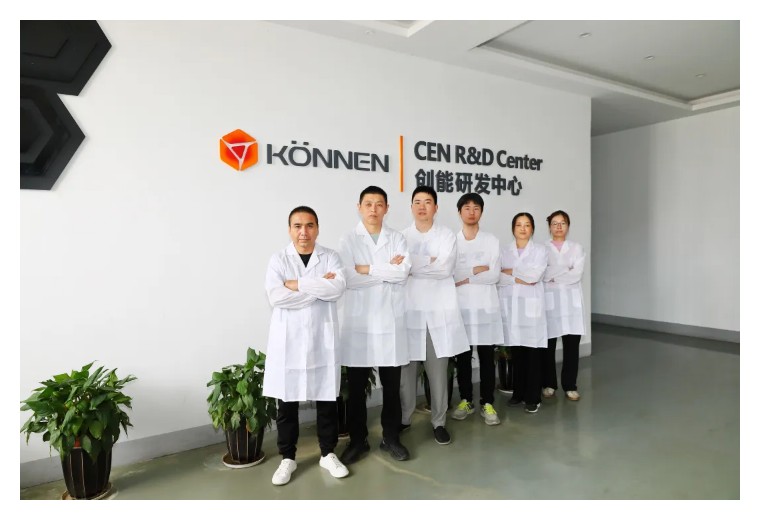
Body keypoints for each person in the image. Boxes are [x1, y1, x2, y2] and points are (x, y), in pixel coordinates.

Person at [263, 206, 349, 486]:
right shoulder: (278, 260)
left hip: (321, 340)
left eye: (309, 225)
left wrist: (296, 284)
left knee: (327, 399)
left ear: (317, 228)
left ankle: (327, 453)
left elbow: (337, 288)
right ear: (290, 229)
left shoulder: (331, 257)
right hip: (289, 341)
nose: (304, 232)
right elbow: (277, 297)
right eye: (298, 226)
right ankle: (288, 458)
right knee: (286, 402)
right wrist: (317, 288)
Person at [337, 186, 412, 464]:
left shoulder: (397, 238)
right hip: (359, 323)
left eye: (379, 204)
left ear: (387, 208)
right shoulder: (348, 239)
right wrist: (385, 269)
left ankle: (391, 438)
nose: (373, 209)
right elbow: (348, 278)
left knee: (391, 387)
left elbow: (402, 273)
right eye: (368, 204)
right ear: (359, 207)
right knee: (357, 389)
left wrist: (366, 267)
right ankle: (358, 441)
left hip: (390, 322)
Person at [400, 186, 470, 445]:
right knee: (406, 373)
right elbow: (400, 270)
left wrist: (413, 265)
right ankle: (404, 418)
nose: (422, 206)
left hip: (438, 314)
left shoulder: (447, 235)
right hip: (409, 312)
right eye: (417, 202)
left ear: (436, 207)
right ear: (411, 207)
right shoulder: (401, 237)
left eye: (427, 202)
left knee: (438, 373)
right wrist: (428, 261)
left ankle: (439, 422)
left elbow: (445, 268)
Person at [451, 193, 504, 426]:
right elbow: (451, 275)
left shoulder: (491, 240)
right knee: (462, 357)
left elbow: (494, 275)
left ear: (481, 212)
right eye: (467, 208)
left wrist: (466, 276)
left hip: (485, 307)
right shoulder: (452, 241)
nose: (471, 212)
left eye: (476, 208)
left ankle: (487, 402)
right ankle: (466, 400)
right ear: (459, 212)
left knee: (486, 358)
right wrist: (476, 269)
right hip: (461, 308)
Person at [498, 212, 548, 414]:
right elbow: (499, 277)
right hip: (512, 308)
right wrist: (520, 275)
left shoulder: (540, 251)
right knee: (517, 353)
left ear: (532, 229)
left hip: (531, 309)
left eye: (527, 225)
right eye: (519, 224)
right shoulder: (504, 251)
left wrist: (512, 272)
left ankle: (533, 397)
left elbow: (534, 277)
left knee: (533, 354)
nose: (523, 228)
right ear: (513, 228)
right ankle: (518, 393)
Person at [541, 210, 585, 401]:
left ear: (568, 226)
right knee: (548, 347)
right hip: (550, 303)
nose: (559, 227)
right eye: (555, 223)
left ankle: (570, 385)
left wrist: (553, 274)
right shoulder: (542, 249)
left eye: (563, 223)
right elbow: (542, 273)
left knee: (571, 346)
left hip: (571, 304)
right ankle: (549, 383)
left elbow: (577, 274)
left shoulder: (577, 248)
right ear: (549, 226)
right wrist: (565, 269)